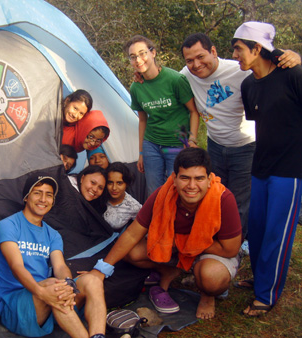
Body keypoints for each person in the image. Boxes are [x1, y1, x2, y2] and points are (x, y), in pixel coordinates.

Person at [91, 148, 242, 320]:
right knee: (133, 252)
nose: (192, 186)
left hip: (210, 252)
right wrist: (101, 269)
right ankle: (169, 271)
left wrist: (185, 243)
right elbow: (132, 235)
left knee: (212, 278)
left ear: (209, 180)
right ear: (174, 178)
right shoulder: (163, 194)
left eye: (199, 178)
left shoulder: (223, 198)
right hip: (176, 248)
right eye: (185, 178)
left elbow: (230, 249)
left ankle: (207, 296)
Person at [180, 33, 301, 240]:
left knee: (241, 200)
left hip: (246, 146)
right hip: (215, 145)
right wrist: (141, 75)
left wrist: (294, 58)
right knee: (216, 194)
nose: (196, 64)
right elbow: (163, 80)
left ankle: (239, 242)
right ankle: (218, 234)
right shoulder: (185, 75)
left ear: (214, 51)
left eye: (201, 57)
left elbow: (271, 69)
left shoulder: (240, 70)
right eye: (190, 60)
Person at [231, 21, 302, 317]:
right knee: (257, 231)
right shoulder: (249, 85)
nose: (234, 55)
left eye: (238, 49)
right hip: (260, 166)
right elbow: (259, 122)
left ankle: (266, 294)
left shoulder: (293, 75)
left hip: (291, 169)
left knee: (277, 233)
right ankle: (261, 277)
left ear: (257, 48)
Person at [0, 175, 106, 338]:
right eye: (37, 193)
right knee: (54, 284)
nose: (43, 199)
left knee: (92, 280)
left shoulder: (52, 234)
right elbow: (16, 266)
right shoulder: (8, 225)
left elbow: (59, 266)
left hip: (50, 299)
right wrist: (41, 292)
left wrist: (68, 285)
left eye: (49, 194)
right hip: (16, 306)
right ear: (27, 197)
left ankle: (98, 336)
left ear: (53, 201)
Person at [126, 35, 200, 197]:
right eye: (133, 57)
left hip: (177, 144)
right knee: (154, 192)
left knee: (177, 190)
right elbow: (143, 120)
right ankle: (158, 222)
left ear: (153, 53)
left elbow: (194, 112)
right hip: (151, 145)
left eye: (142, 53)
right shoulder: (136, 88)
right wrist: (141, 153)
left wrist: (192, 139)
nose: (138, 60)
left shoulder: (175, 80)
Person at [103, 162, 142, 231]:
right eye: (110, 183)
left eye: (119, 183)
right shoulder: (99, 197)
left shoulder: (133, 207)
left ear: (126, 184)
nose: (114, 188)